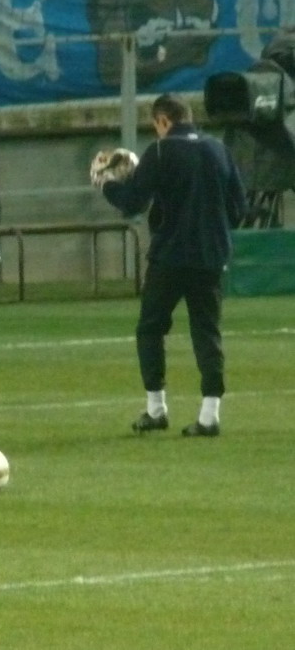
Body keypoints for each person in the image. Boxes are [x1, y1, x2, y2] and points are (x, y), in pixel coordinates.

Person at [100, 93, 246, 437]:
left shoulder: (161, 151)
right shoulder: (218, 149)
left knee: (150, 328)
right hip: (211, 257)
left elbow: (133, 202)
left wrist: (107, 185)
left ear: (163, 121)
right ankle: (210, 416)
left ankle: (156, 408)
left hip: (170, 257)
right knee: (206, 331)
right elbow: (238, 210)